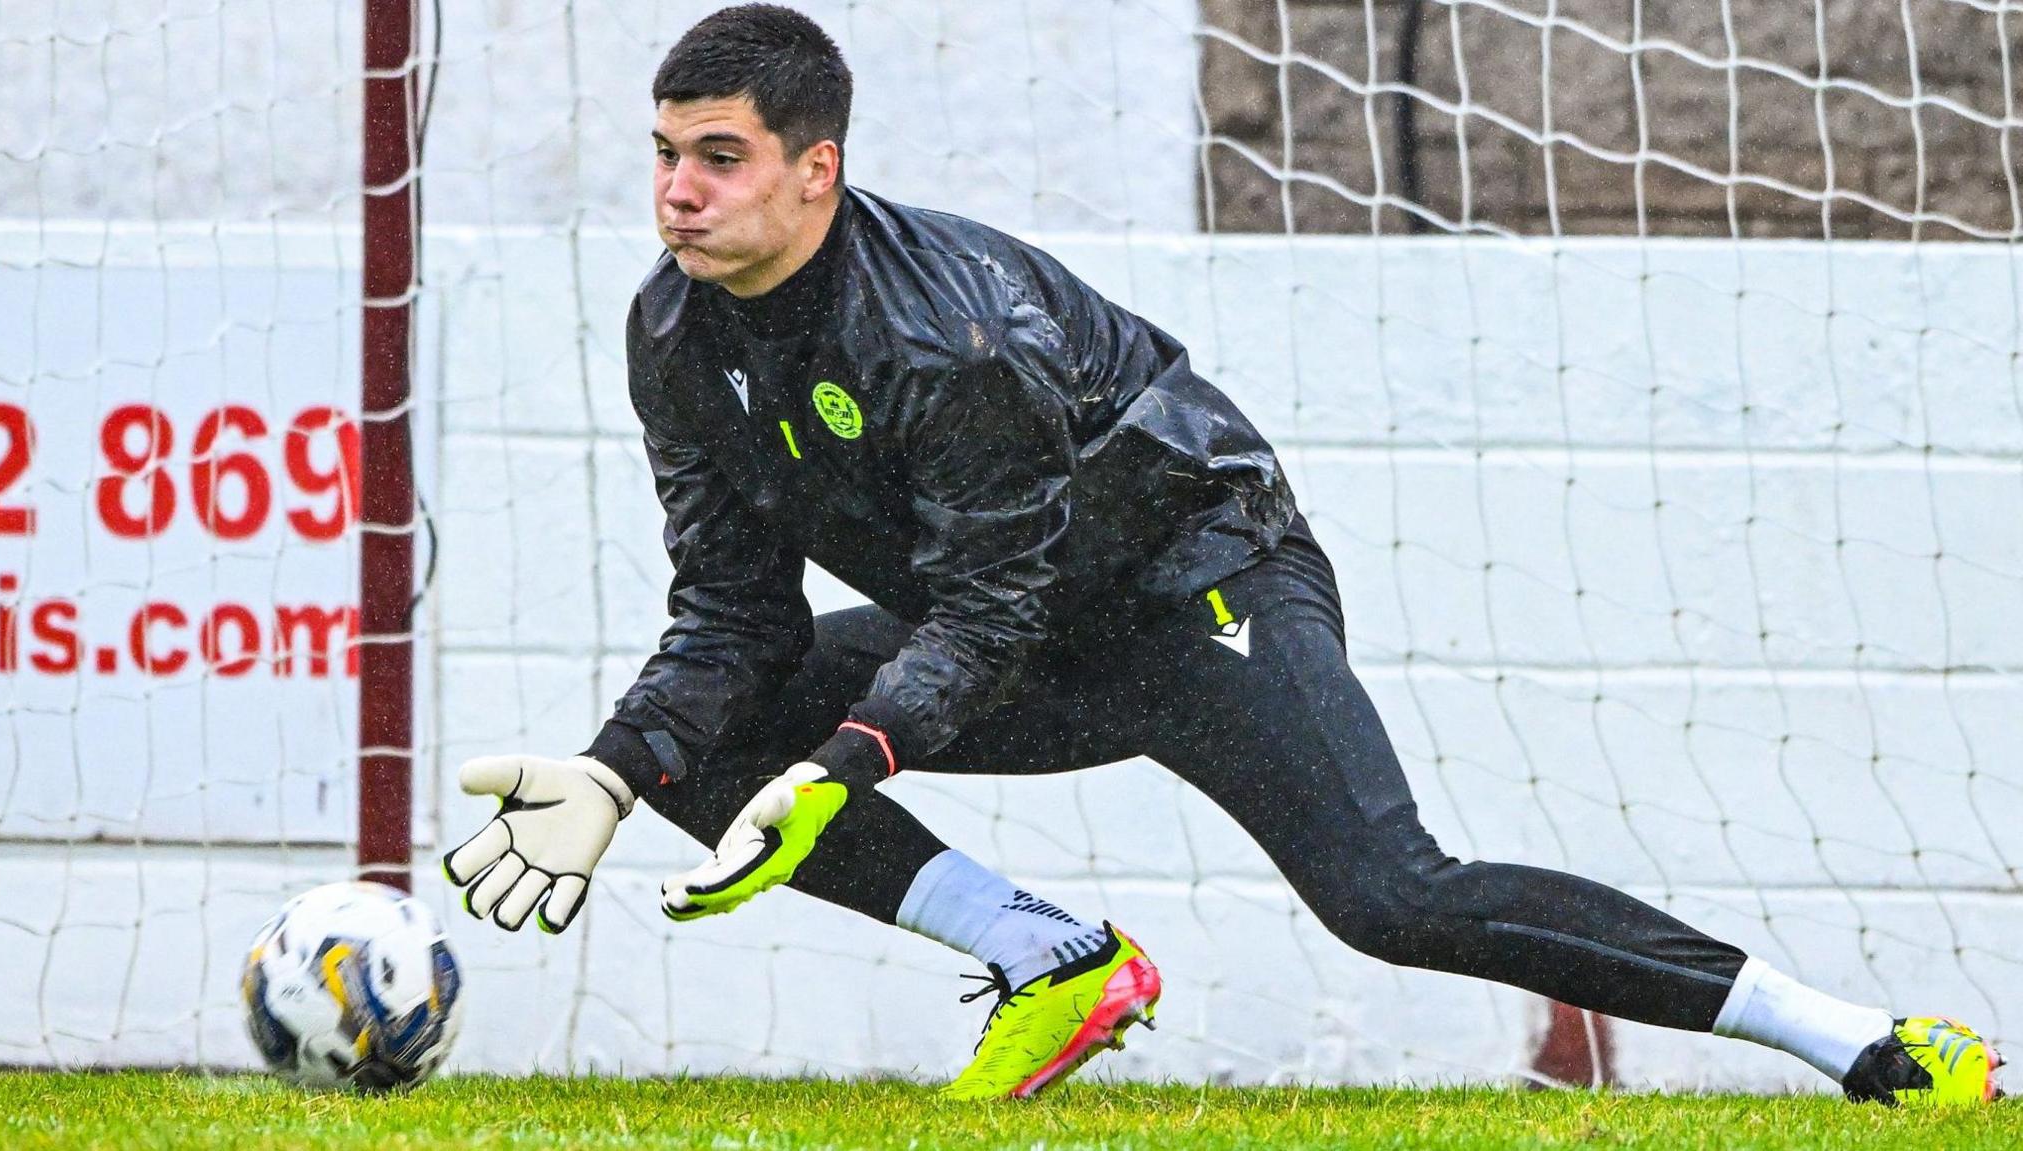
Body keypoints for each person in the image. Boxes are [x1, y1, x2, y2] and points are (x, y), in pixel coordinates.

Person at [442, 3, 2003, 1105]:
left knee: (1390, 896)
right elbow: (728, 609)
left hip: (1200, 589)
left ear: (815, 168)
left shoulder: (947, 333)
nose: (677, 192)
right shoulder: (671, 328)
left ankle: (1858, 1040)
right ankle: (1053, 963)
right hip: (1016, 637)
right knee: (703, 744)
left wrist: (851, 755)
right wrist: (615, 765)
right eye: (663, 153)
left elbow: (987, 604)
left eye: (717, 156)